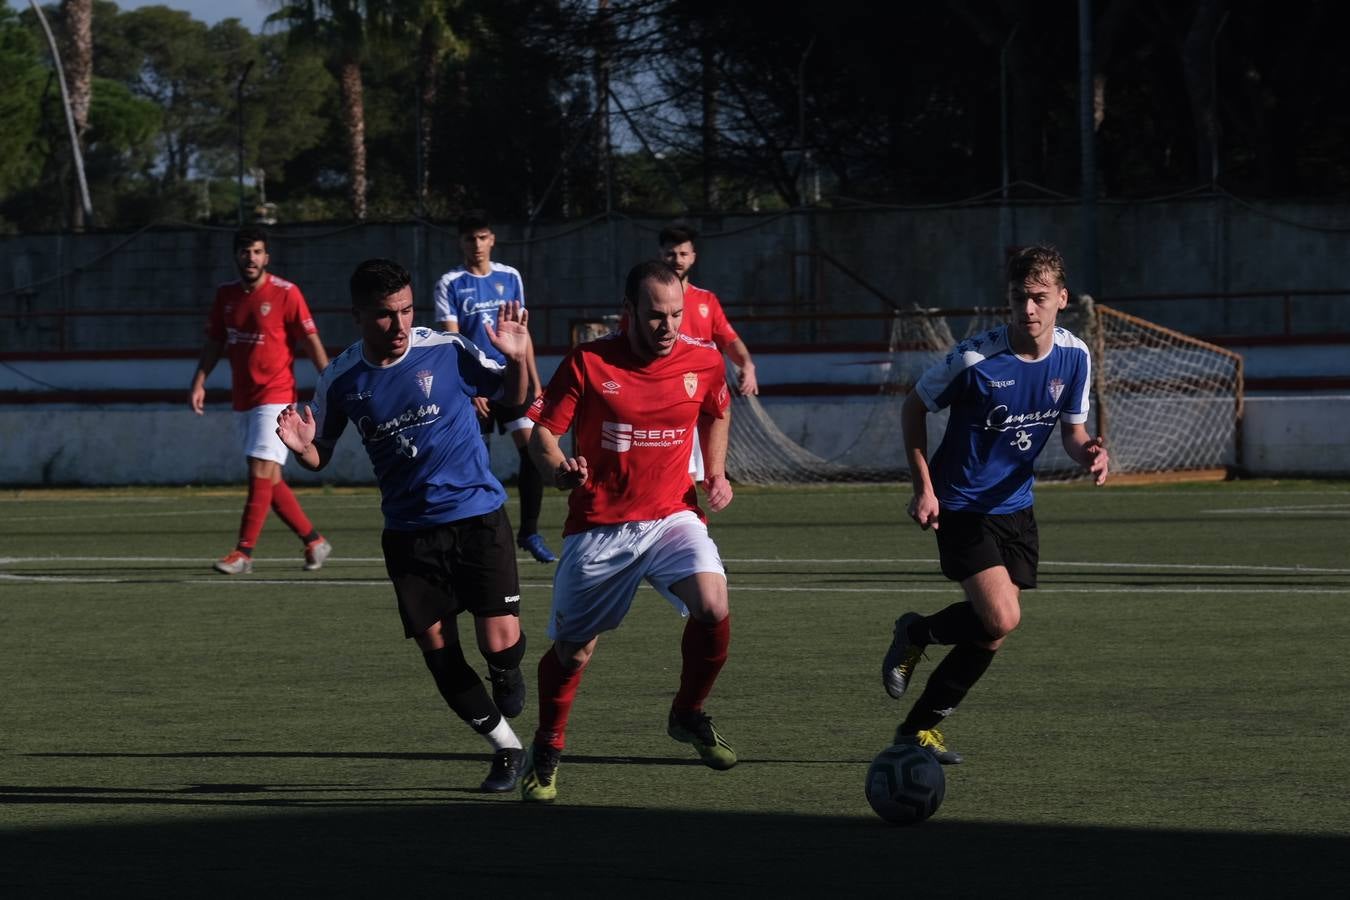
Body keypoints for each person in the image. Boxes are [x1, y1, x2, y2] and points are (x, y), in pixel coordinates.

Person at [275, 258, 535, 793]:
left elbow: (514, 398)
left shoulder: (446, 349)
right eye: (383, 316)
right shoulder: (341, 378)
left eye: (406, 311)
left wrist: (520, 357)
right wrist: (303, 450)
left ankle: (507, 669)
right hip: (409, 533)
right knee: (437, 650)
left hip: (477, 516)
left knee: (498, 641)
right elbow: (319, 451)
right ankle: (507, 750)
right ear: (358, 316)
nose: (397, 326)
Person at [518, 259, 737, 803]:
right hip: (599, 526)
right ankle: (547, 746)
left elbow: (717, 410)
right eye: (656, 316)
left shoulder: (702, 359)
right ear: (628, 313)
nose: (668, 327)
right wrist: (558, 470)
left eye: (676, 315)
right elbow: (542, 435)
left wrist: (715, 471)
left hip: (671, 515)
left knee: (713, 604)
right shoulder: (589, 361)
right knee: (574, 652)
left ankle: (687, 713)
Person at [881, 245, 1109, 764]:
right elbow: (914, 406)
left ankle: (918, 724)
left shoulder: (1075, 356)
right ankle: (917, 634)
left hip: (1016, 507)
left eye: (1039, 298)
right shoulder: (975, 359)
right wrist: (924, 487)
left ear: (1061, 300)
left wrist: (1089, 452)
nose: (1028, 309)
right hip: (960, 503)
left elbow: (1072, 433)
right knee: (1002, 616)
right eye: (1018, 298)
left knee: (993, 630)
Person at [189, 227, 332, 576]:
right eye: (244, 252)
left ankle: (244, 553)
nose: (250, 258)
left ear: (266, 257)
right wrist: (200, 379)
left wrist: (330, 378)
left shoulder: (286, 293)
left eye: (257, 252)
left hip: (277, 395)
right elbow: (214, 342)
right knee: (270, 478)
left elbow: (310, 339)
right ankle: (314, 541)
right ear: (236, 256)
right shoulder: (226, 295)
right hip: (244, 399)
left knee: (259, 471)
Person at [433, 212, 556, 565]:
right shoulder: (450, 282)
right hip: (476, 384)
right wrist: (470, 388)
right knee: (475, 462)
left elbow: (521, 330)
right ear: (461, 242)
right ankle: (476, 534)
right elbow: (451, 337)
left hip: (511, 377)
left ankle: (529, 531)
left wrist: (533, 381)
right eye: (470, 238)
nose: (477, 245)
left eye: (482, 237)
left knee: (533, 450)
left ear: (492, 240)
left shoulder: (509, 276)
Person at [659, 225, 757, 397]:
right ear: (661, 255)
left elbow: (729, 341)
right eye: (671, 254)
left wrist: (747, 365)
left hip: (701, 392)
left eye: (683, 254)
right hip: (662, 389)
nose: (677, 260)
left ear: (693, 258)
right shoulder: (646, 299)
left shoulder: (707, 300)